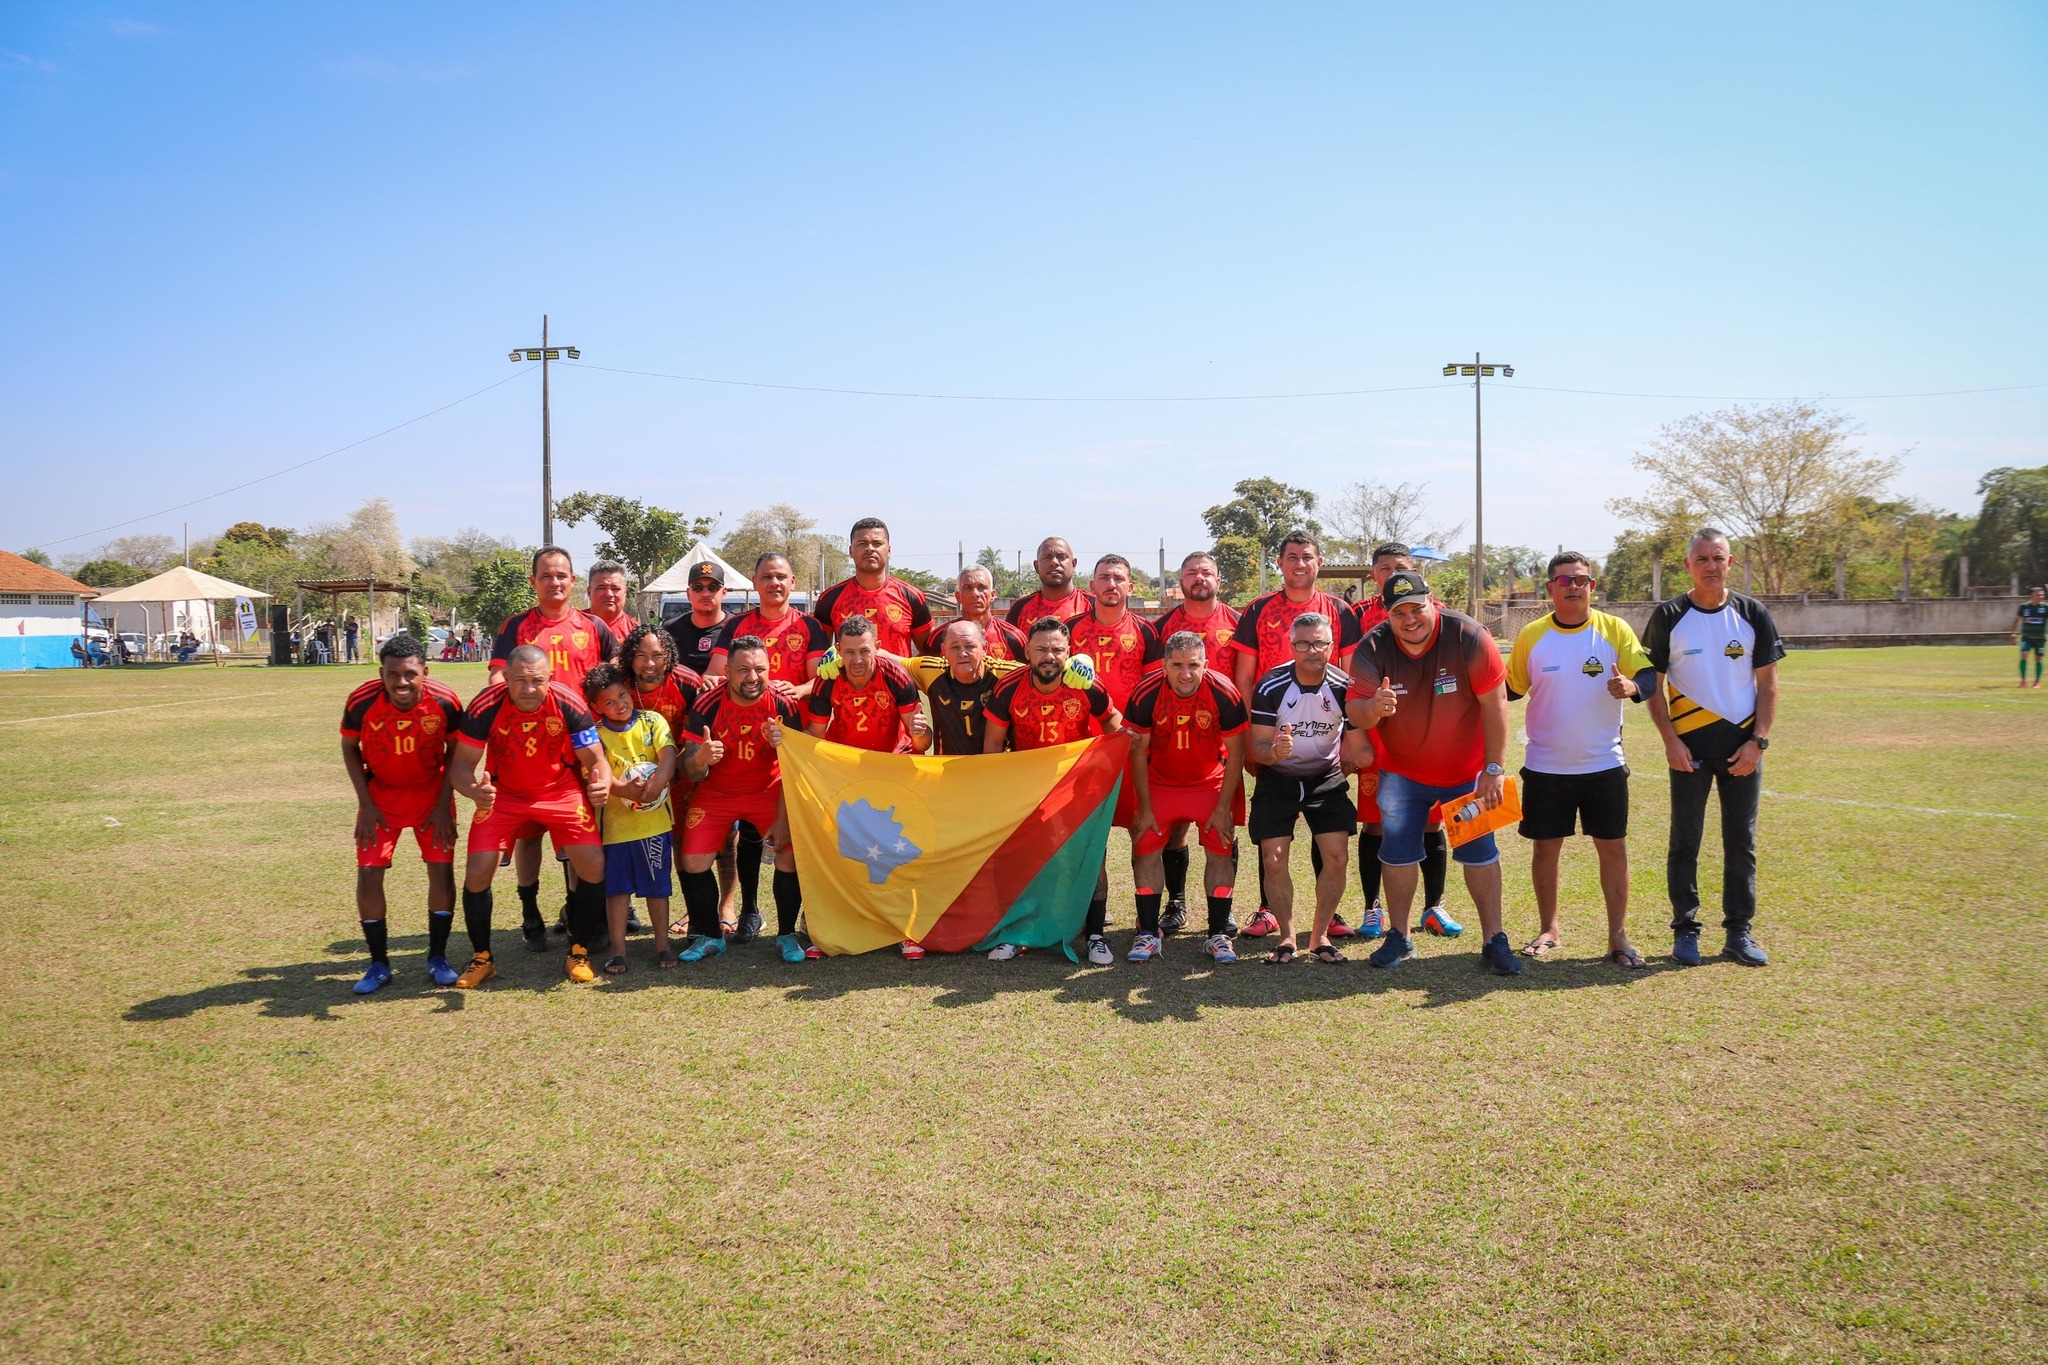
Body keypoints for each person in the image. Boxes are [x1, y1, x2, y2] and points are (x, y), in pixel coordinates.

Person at [1347, 572, 1521, 976]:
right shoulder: (1373, 646)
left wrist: (1493, 769)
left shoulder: (1468, 635)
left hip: (1468, 773)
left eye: (1417, 608)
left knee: (1480, 854)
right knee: (1397, 854)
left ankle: (1494, 939)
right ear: (1387, 614)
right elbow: (1354, 710)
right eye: (1399, 612)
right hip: (1403, 774)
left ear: (1432, 602)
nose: (1410, 619)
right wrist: (1374, 707)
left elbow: (1496, 704)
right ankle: (1400, 935)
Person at [1505, 552, 1657, 968]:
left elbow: (1647, 675)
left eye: (1581, 580)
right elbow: (1510, 689)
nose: (1573, 586)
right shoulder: (1532, 635)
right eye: (1564, 580)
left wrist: (1631, 686)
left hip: (1603, 764)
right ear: (1550, 587)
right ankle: (1549, 929)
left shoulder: (1614, 629)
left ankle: (1618, 937)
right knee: (1545, 849)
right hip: (1546, 765)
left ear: (1592, 587)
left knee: (1613, 849)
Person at [1643, 528, 1783, 968]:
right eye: (1702, 559)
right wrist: (1670, 741)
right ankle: (1685, 930)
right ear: (1688, 565)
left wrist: (1758, 742)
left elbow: (1768, 684)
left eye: (1718, 558)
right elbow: (1653, 686)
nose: (1710, 566)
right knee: (1685, 841)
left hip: (1743, 749)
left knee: (1741, 842)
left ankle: (1739, 931)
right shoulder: (1669, 615)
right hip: (1689, 750)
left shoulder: (1752, 613)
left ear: (1730, 562)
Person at [447, 644, 613, 987]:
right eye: (520, 680)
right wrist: (474, 791)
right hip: (504, 795)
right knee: (477, 871)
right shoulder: (485, 706)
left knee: (593, 864)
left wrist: (601, 782)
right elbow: (460, 766)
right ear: (506, 678)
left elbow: (596, 759)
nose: (529, 689)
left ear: (550, 677)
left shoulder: (567, 702)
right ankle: (482, 958)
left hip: (561, 792)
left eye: (537, 680)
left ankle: (578, 950)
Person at [1230, 532, 1363, 940]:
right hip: (1271, 727)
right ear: (1280, 564)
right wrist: (1255, 741)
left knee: (1329, 833)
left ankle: (1330, 916)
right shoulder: (1258, 609)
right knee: (1273, 835)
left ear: (1319, 562)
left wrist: (1348, 737)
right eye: (1291, 557)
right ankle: (1268, 910)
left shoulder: (1340, 610)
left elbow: (1351, 677)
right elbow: (1245, 677)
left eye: (1307, 557)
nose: (1299, 564)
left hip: (1325, 733)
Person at [487, 547, 620, 945]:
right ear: (533, 581)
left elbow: (614, 678)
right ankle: (530, 913)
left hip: (580, 746)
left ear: (573, 580)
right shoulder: (516, 626)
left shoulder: (593, 626)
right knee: (529, 835)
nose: (554, 582)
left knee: (579, 834)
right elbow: (497, 679)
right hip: (527, 748)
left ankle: (578, 915)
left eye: (561, 575)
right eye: (546, 576)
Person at [983, 617, 1124, 963]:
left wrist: (1105, 760)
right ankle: (1017, 933)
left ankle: (1095, 935)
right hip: (1029, 788)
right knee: (1023, 860)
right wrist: (998, 794)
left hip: (1077, 788)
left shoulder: (1085, 684)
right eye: (1042, 649)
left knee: (1091, 859)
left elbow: (1114, 724)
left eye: (1058, 649)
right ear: (1027, 652)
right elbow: (992, 746)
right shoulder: (1008, 688)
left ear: (1069, 652)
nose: (1050, 656)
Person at [339, 634, 466, 993]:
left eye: (410, 673)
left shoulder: (446, 701)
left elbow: (455, 752)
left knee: (440, 871)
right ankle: (378, 964)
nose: (401, 682)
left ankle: (437, 958)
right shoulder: (362, 701)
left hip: (431, 795)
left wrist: (442, 806)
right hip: (380, 796)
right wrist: (366, 804)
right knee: (368, 875)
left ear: (424, 672)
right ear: (381, 673)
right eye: (392, 674)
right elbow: (349, 747)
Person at [674, 637, 808, 964]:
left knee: (790, 856)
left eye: (760, 669)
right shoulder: (707, 704)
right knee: (692, 860)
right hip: (718, 792)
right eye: (743, 670)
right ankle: (710, 936)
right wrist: (702, 758)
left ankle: (787, 934)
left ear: (770, 669)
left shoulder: (783, 704)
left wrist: (782, 817)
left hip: (768, 789)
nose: (752, 677)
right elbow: (691, 770)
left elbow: (796, 768)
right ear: (727, 672)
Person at [807, 616, 932, 957]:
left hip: (890, 770)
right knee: (837, 852)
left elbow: (921, 742)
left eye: (864, 650)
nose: (857, 660)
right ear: (838, 651)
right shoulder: (827, 681)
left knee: (899, 851)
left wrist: (920, 731)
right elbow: (813, 737)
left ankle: (908, 929)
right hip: (846, 775)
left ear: (878, 647)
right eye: (849, 652)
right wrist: (785, 742)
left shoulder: (895, 676)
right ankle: (829, 928)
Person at [1124, 631, 1248, 964]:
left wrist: (1223, 807)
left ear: (1205, 663)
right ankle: (1148, 933)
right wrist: (1144, 808)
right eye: (1177, 665)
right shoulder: (1146, 691)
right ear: (1164, 665)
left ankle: (1218, 933)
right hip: (1160, 783)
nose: (1186, 674)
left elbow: (1236, 752)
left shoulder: (1224, 692)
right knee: (1145, 847)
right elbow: (1137, 753)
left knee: (1221, 849)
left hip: (1209, 783)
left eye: (1193, 665)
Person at [1245, 613, 1357, 964]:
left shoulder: (1344, 686)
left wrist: (1356, 752)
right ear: (1292, 646)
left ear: (1331, 646)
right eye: (1304, 643)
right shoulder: (1271, 686)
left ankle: (1320, 935)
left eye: (1319, 643)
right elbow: (1258, 748)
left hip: (1325, 777)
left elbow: (1357, 740)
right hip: (1278, 777)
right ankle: (1287, 936)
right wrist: (1274, 752)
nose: (1312, 650)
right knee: (1274, 858)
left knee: (1337, 857)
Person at [1148, 551, 1241, 930]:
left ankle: (1224, 909)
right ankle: (1176, 902)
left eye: (1206, 572)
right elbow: (1154, 682)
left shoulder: (1238, 622)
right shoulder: (1162, 627)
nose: (1199, 577)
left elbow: (1246, 675)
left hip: (1224, 738)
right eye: (1191, 572)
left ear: (1219, 580)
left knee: (1223, 826)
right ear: (1181, 581)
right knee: (1174, 828)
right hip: (1173, 738)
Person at [583, 662, 679, 974]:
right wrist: (625, 790)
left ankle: (662, 945)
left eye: (622, 695)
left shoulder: (652, 721)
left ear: (629, 691)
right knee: (617, 890)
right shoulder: (595, 735)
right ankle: (618, 951)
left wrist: (657, 783)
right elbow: (596, 773)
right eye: (609, 702)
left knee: (658, 887)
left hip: (654, 826)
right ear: (597, 707)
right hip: (615, 829)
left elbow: (668, 755)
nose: (620, 704)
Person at [709, 553, 830, 695]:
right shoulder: (734, 625)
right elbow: (714, 672)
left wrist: (799, 690)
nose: (774, 583)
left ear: (792, 582)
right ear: (755, 582)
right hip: (747, 709)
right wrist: (711, 680)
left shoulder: (811, 626)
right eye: (767, 577)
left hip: (795, 708)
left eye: (781, 577)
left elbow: (821, 678)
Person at [813, 517, 934, 657]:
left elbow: (930, 652)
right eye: (862, 543)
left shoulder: (912, 597)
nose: (870, 548)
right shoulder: (829, 599)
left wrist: (904, 667)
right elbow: (820, 655)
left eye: (877, 543)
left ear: (889, 550)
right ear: (851, 550)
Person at [906, 619, 1025, 757]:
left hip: (997, 766)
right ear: (944, 651)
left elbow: (1039, 674)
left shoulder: (1008, 674)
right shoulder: (929, 670)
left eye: (970, 646)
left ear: (984, 648)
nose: (962, 653)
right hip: (947, 766)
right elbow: (889, 664)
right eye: (955, 647)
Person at [1064, 554, 1163, 712]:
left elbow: (1154, 687)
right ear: (1092, 586)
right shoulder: (1070, 628)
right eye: (1104, 578)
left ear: (1130, 588)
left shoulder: (1146, 631)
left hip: (1127, 725)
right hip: (1081, 725)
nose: (1111, 584)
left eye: (1118, 578)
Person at [1006, 536, 1096, 627]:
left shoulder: (1094, 605)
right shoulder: (1019, 609)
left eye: (1061, 556)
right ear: (1037, 566)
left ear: (1073, 564)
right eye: (1046, 557)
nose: (1054, 562)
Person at [661, 560, 730, 677]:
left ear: (723, 593)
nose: (705, 593)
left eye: (713, 587)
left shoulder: (736, 628)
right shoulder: (670, 629)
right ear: (688, 594)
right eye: (698, 587)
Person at [946, 565, 1029, 662]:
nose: (975, 594)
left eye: (981, 587)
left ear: (992, 595)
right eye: (968, 587)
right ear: (958, 596)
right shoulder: (941, 638)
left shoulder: (1013, 637)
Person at [586, 559, 638, 640]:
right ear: (589, 592)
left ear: (625, 592)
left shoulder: (637, 633)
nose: (609, 594)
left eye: (615, 588)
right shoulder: (572, 625)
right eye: (601, 588)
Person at [2016, 586, 2046, 689]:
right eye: (2039, 594)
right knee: (2024, 655)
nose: (2041, 596)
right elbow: (2016, 620)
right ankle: (2023, 681)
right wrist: (2013, 633)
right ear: (2032, 596)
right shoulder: (2024, 607)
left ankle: (2037, 682)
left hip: (2040, 638)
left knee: (2038, 659)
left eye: (2042, 594)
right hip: (2027, 637)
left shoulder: (2045, 607)